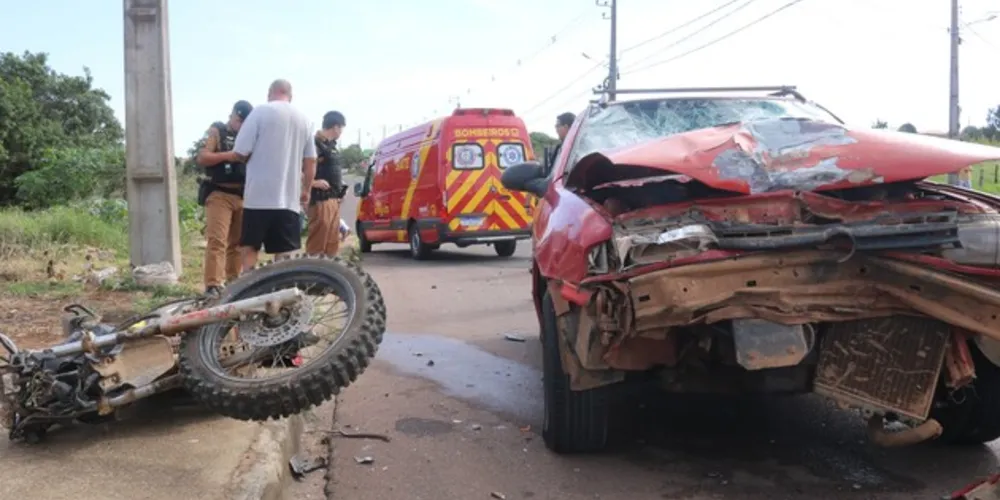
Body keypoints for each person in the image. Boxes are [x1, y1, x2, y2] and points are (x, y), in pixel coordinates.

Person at [231, 79, 317, 271]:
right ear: (290, 95)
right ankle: (281, 286)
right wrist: (306, 190)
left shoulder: (259, 112)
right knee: (284, 253)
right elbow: (311, 161)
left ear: (269, 93)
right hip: (288, 200)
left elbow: (240, 152)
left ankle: (249, 282)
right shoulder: (304, 120)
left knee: (250, 247)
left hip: (258, 197)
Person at [195, 100, 253, 297]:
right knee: (217, 240)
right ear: (232, 116)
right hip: (220, 194)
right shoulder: (217, 131)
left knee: (237, 244)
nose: (241, 125)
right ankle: (212, 284)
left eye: (244, 122)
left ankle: (233, 283)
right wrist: (229, 156)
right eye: (239, 121)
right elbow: (203, 157)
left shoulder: (250, 136)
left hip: (242, 195)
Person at [306, 111, 346, 257]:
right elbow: (297, 169)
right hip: (320, 199)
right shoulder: (314, 144)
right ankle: (311, 271)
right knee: (318, 243)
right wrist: (313, 182)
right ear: (335, 127)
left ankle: (328, 271)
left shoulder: (332, 146)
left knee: (332, 243)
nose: (341, 132)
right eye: (341, 128)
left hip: (334, 199)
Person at [545, 112, 575, 176]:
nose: (556, 130)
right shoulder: (560, 147)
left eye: (557, 126)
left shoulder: (575, 148)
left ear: (566, 127)